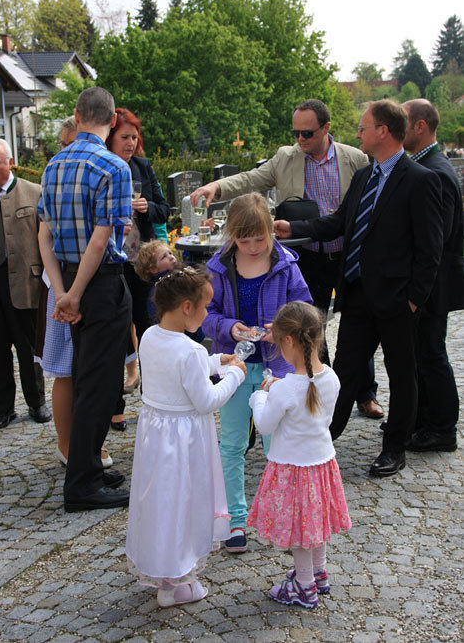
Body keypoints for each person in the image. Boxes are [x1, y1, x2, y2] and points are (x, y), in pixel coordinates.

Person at [274, 100, 443, 476]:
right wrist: (294, 228)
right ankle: (322, 439)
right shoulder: (365, 176)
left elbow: (430, 250)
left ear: (383, 131)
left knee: (402, 375)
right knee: (345, 372)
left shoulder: (420, 180)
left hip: (397, 301)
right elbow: (338, 222)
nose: (357, 134)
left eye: (363, 128)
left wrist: (413, 300)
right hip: (356, 294)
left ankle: (394, 447)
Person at [191, 99, 382, 420]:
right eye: (296, 133)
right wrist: (216, 187)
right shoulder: (286, 157)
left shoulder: (354, 158)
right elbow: (250, 179)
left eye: (307, 133)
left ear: (326, 128)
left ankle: (366, 393)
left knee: (357, 326)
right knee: (310, 325)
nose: (300, 139)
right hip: (306, 256)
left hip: (347, 256)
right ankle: (315, 392)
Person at [126, 266, 246, 607]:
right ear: (187, 307)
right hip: (184, 440)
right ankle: (178, 580)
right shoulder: (189, 350)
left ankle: (166, 572)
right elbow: (206, 400)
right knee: (184, 502)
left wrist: (216, 361)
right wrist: (234, 375)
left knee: (161, 502)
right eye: (205, 306)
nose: (207, 313)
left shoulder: (150, 336)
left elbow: (176, 369)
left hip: (155, 436)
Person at [38, 86, 132, 511]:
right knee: (101, 383)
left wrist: (62, 292)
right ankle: (81, 485)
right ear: (112, 120)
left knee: (85, 377)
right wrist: (74, 295)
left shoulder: (53, 165)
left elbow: (44, 236)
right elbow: (100, 240)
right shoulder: (114, 166)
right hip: (100, 284)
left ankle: (87, 465)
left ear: (76, 116)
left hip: (69, 280)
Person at [201, 192, 312, 553]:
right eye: (243, 240)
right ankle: (235, 518)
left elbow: (305, 310)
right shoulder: (219, 267)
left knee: (277, 446)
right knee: (232, 445)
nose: (252, 247)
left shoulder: (286, 265)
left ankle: (280, 516)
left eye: (259, 239)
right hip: (233, 367)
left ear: (270, 230)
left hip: (277, 367)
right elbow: (205, 314)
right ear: (231, 235)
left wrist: (282, 327)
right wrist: (229, 327)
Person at [247, 301, 351, 609]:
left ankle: (304, 587)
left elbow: (265, 426)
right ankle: (319, 573)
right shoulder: (331, 377)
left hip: (293, 469)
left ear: (289, 341)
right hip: (322, 464)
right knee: (315, 524)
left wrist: (259, 398)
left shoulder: (284, 390)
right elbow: (313, 407)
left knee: (300, 532)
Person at [39, 117, 112, 468]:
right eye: (66, 145)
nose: (72, 153)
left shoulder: (93, 175)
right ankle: (67, 444)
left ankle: (87, 445)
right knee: (66, 369)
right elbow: (44, 236)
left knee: (92, 369)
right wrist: (61, 291)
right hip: (63, 283)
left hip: (85, 284)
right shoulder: (55, 175)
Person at [402, 99, 464, 452]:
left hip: (432, 285)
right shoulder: (427, 165)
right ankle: (422, 420)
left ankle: (442, 428)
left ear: (420, 126)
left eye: (404, 121)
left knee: (431, 355)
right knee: (423, 353)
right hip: (430, 283)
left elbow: (434, 242)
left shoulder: (435, 172)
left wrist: (417, 292)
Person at [106, 108, 170, 427]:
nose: (131, 143)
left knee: (148, 330)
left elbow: (165, 210)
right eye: (124, 137)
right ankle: (114, 405)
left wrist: (148, 207)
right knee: (116, 334)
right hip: (112, 263)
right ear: (110, 138)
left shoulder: (142, 167)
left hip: (141, 263)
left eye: (134, 137)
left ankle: (152, 400)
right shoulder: (103, 167)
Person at [0, 138, 50, 429]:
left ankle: (36, 401)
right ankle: (4, 407)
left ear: (9, 162)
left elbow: (46, 240)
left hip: (25, 283)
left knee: (29, 347)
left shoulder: (34, 192)